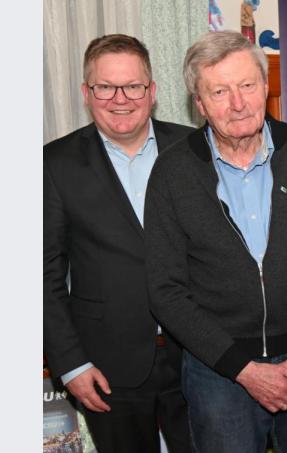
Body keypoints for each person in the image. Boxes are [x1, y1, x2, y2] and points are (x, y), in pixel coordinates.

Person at [144, 31, 287, 453]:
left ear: (265, 86)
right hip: (218, 373)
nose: (238, 103)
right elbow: (166, 290)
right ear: (199, 104)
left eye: (247, 85)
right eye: (220, 91)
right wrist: (242, 369)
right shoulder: (172, 172)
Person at [43, 34, 192, 453]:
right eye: (105, 86)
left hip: (200, 357)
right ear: (86, 93)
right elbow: (43, 275)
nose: (120, 99)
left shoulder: (194, 149)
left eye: (133, 86)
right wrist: (71, 364)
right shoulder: (54, 164)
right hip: (106, 365)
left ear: (152, 91)